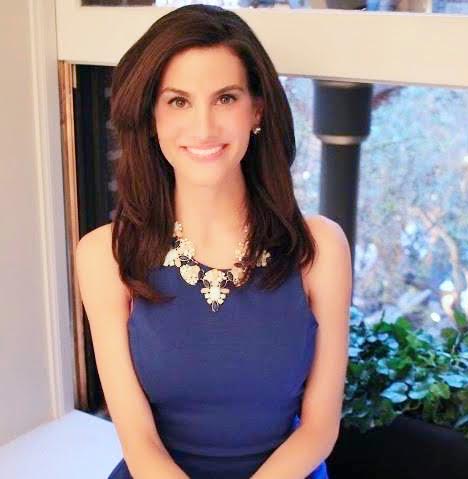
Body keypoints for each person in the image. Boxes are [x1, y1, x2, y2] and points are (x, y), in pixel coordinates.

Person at [75, 4, 352, 479]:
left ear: (256, 109)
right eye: (178, 101)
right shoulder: (105, 255)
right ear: (152, 116)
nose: (203, 128)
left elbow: (319, 429)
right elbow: (138, 441)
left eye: (225, 98)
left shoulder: (321, 248)